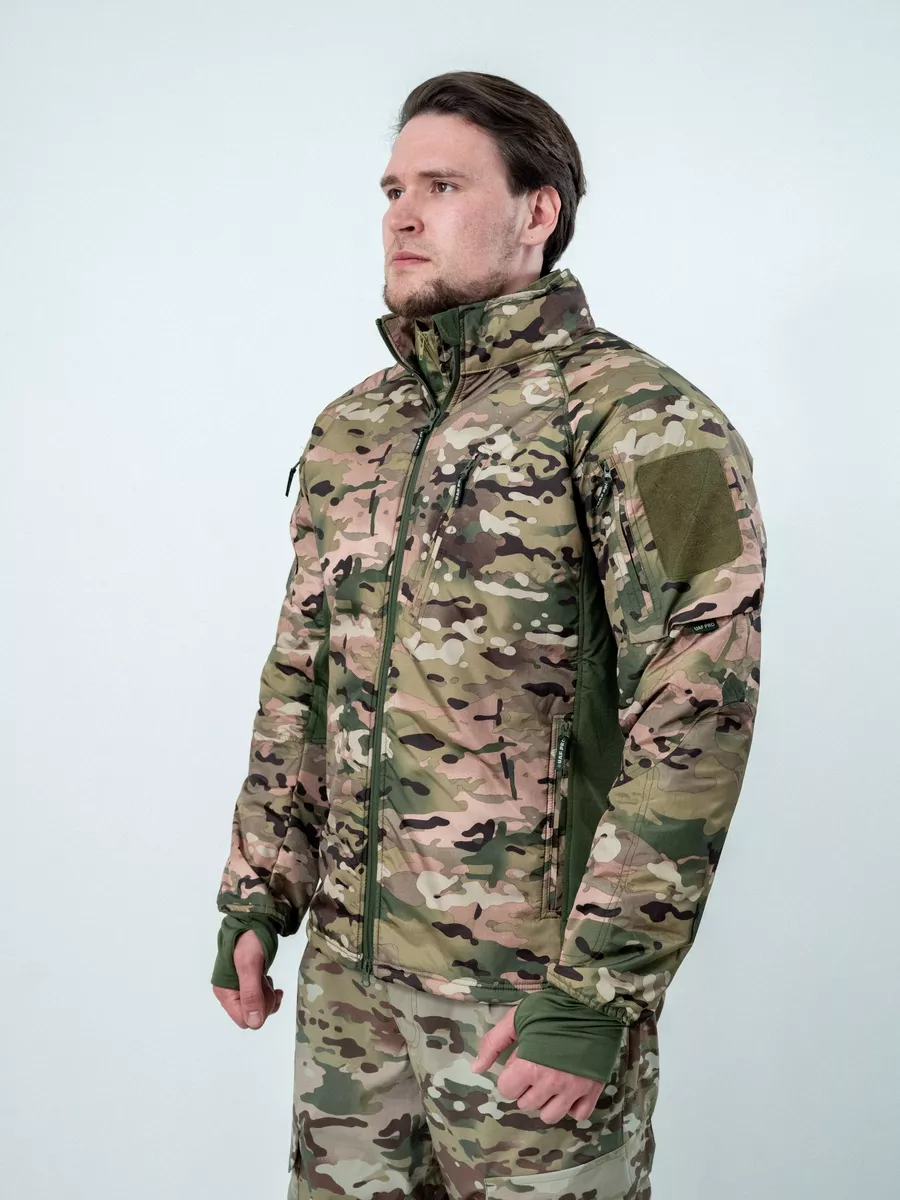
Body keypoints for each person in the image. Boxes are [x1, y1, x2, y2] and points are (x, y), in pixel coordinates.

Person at [210, 69, 767, 1200]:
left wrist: (596, 995)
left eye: (443, 186)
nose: (403, 216)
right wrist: (259, 893)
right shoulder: (355, 428)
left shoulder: (646, 423)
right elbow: (303, 677)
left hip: (526, 1004)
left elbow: (696, 709)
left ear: (536, 210)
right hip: (352, 999)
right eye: (392, 190)